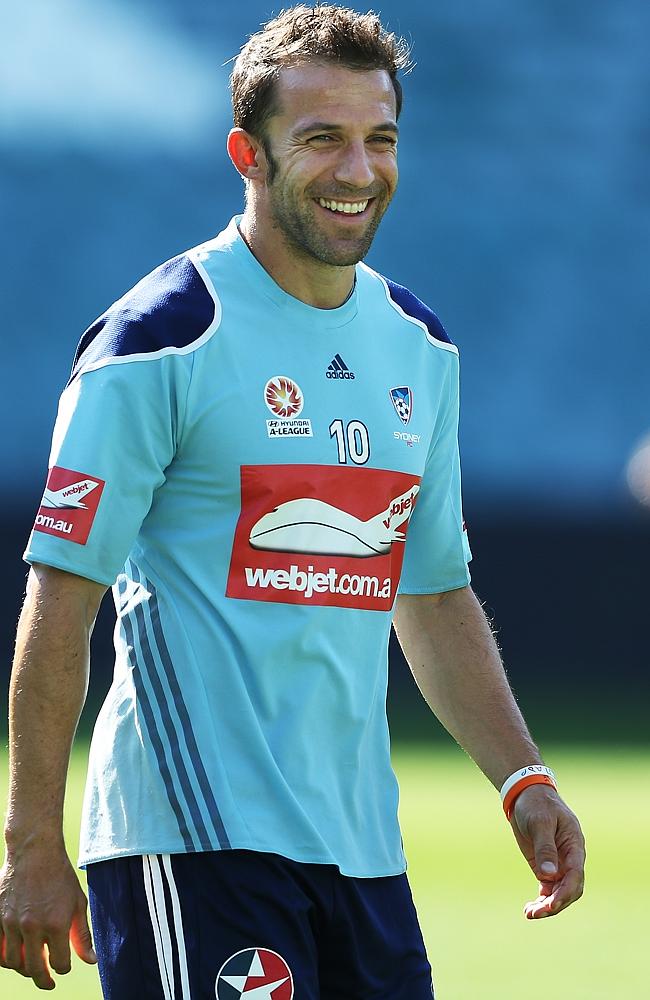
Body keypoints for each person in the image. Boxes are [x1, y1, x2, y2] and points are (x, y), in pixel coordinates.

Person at [0, 5, 585, 997]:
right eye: (321, 139)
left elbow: (434, 595)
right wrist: (29, 843)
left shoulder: (419, 346)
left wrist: (521, 775)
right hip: (192, 843)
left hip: (359, 853)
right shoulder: (159, 337)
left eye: (378, 139)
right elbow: (64, 603)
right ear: (248, 153)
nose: (356, 171)